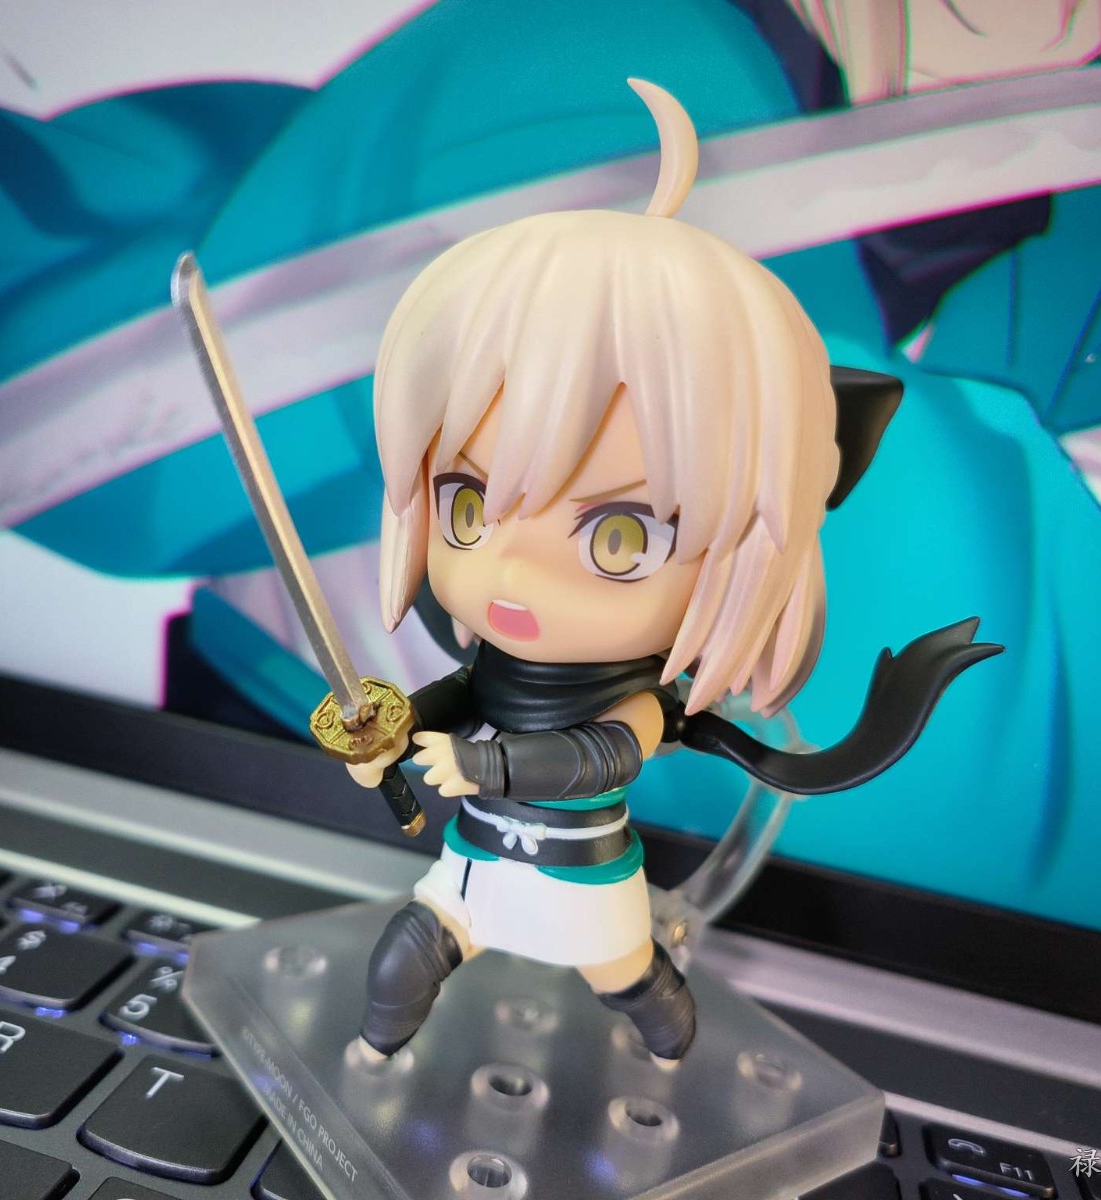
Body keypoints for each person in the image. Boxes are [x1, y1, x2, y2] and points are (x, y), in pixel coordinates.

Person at [339, 79, 998, 1066]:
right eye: (467, 506)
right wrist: (386, 734)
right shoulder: (496, 663)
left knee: (635, 988)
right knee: (399, 966)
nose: (509, 566)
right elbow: (462, 695)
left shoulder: (639, 701)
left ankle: (666, 1035)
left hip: (583, 886)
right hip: (473, 863)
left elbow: (602, 755)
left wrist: (483, 767)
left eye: (619, 538)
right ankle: (373, 1062)